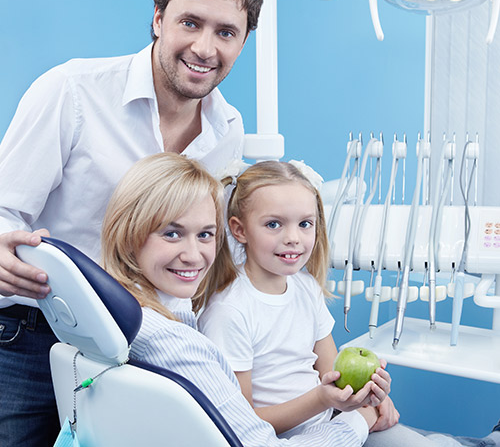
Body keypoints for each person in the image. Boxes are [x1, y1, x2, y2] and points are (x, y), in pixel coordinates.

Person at [0, 0, 263, 446]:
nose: (205, 47)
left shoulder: (227, 129)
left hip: (125, 340)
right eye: (190, 23)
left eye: (226, 32)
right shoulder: (72, 91)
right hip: (22, 328)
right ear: (158, 20)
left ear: (244, 42)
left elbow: (203, 243)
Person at [198, 160, 500, 447]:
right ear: (239, 229)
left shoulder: (304, 288)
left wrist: (370, 395)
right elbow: (242, 424)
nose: (294, 238)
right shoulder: (230, 312)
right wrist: (324, 400)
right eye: (274, 224)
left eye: (305, 224)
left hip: (331, 421)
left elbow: (335, 375)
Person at [101, 152, 381, 447]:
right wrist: (357, 418)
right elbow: (251, 433)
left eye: (206, 234)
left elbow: (331, 376)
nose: (194, 255)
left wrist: (362, 398)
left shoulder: (163, 314)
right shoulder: (194, 332)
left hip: (328, 421)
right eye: (172, 233)